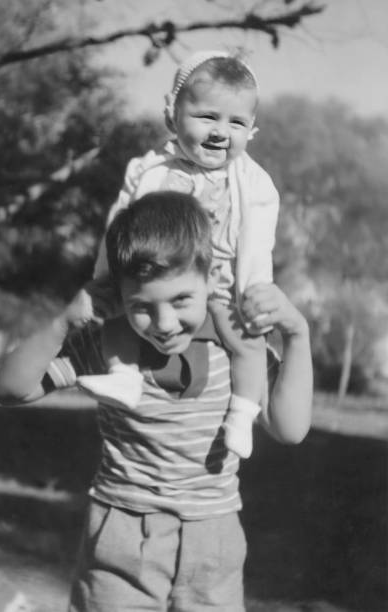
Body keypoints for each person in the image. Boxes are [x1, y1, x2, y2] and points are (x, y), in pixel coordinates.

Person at [0, 192, 313, 612]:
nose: (164, 324)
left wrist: (297, 334)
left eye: (181, 300)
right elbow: (11, 390)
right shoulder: (107, 347)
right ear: (119, 297)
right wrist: (62, 323)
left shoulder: (239, 348)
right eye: (141, 307)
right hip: (123, 534)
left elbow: (290, 428)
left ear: (214, 277)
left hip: (213, 541)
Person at [81, 49, 280, 459]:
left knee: (248, 341)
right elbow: (121, 220)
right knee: (119, 314)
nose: (220, 132)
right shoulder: (151, 169)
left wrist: (257, 289)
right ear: (172, 115)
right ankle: (124, 375)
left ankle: (242, 414)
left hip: (220, 280)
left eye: (236, 122)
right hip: (159, 278)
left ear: (252, 131)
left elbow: (260, 238)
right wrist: (107, 274)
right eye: (207, 117)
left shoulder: (253, 183)